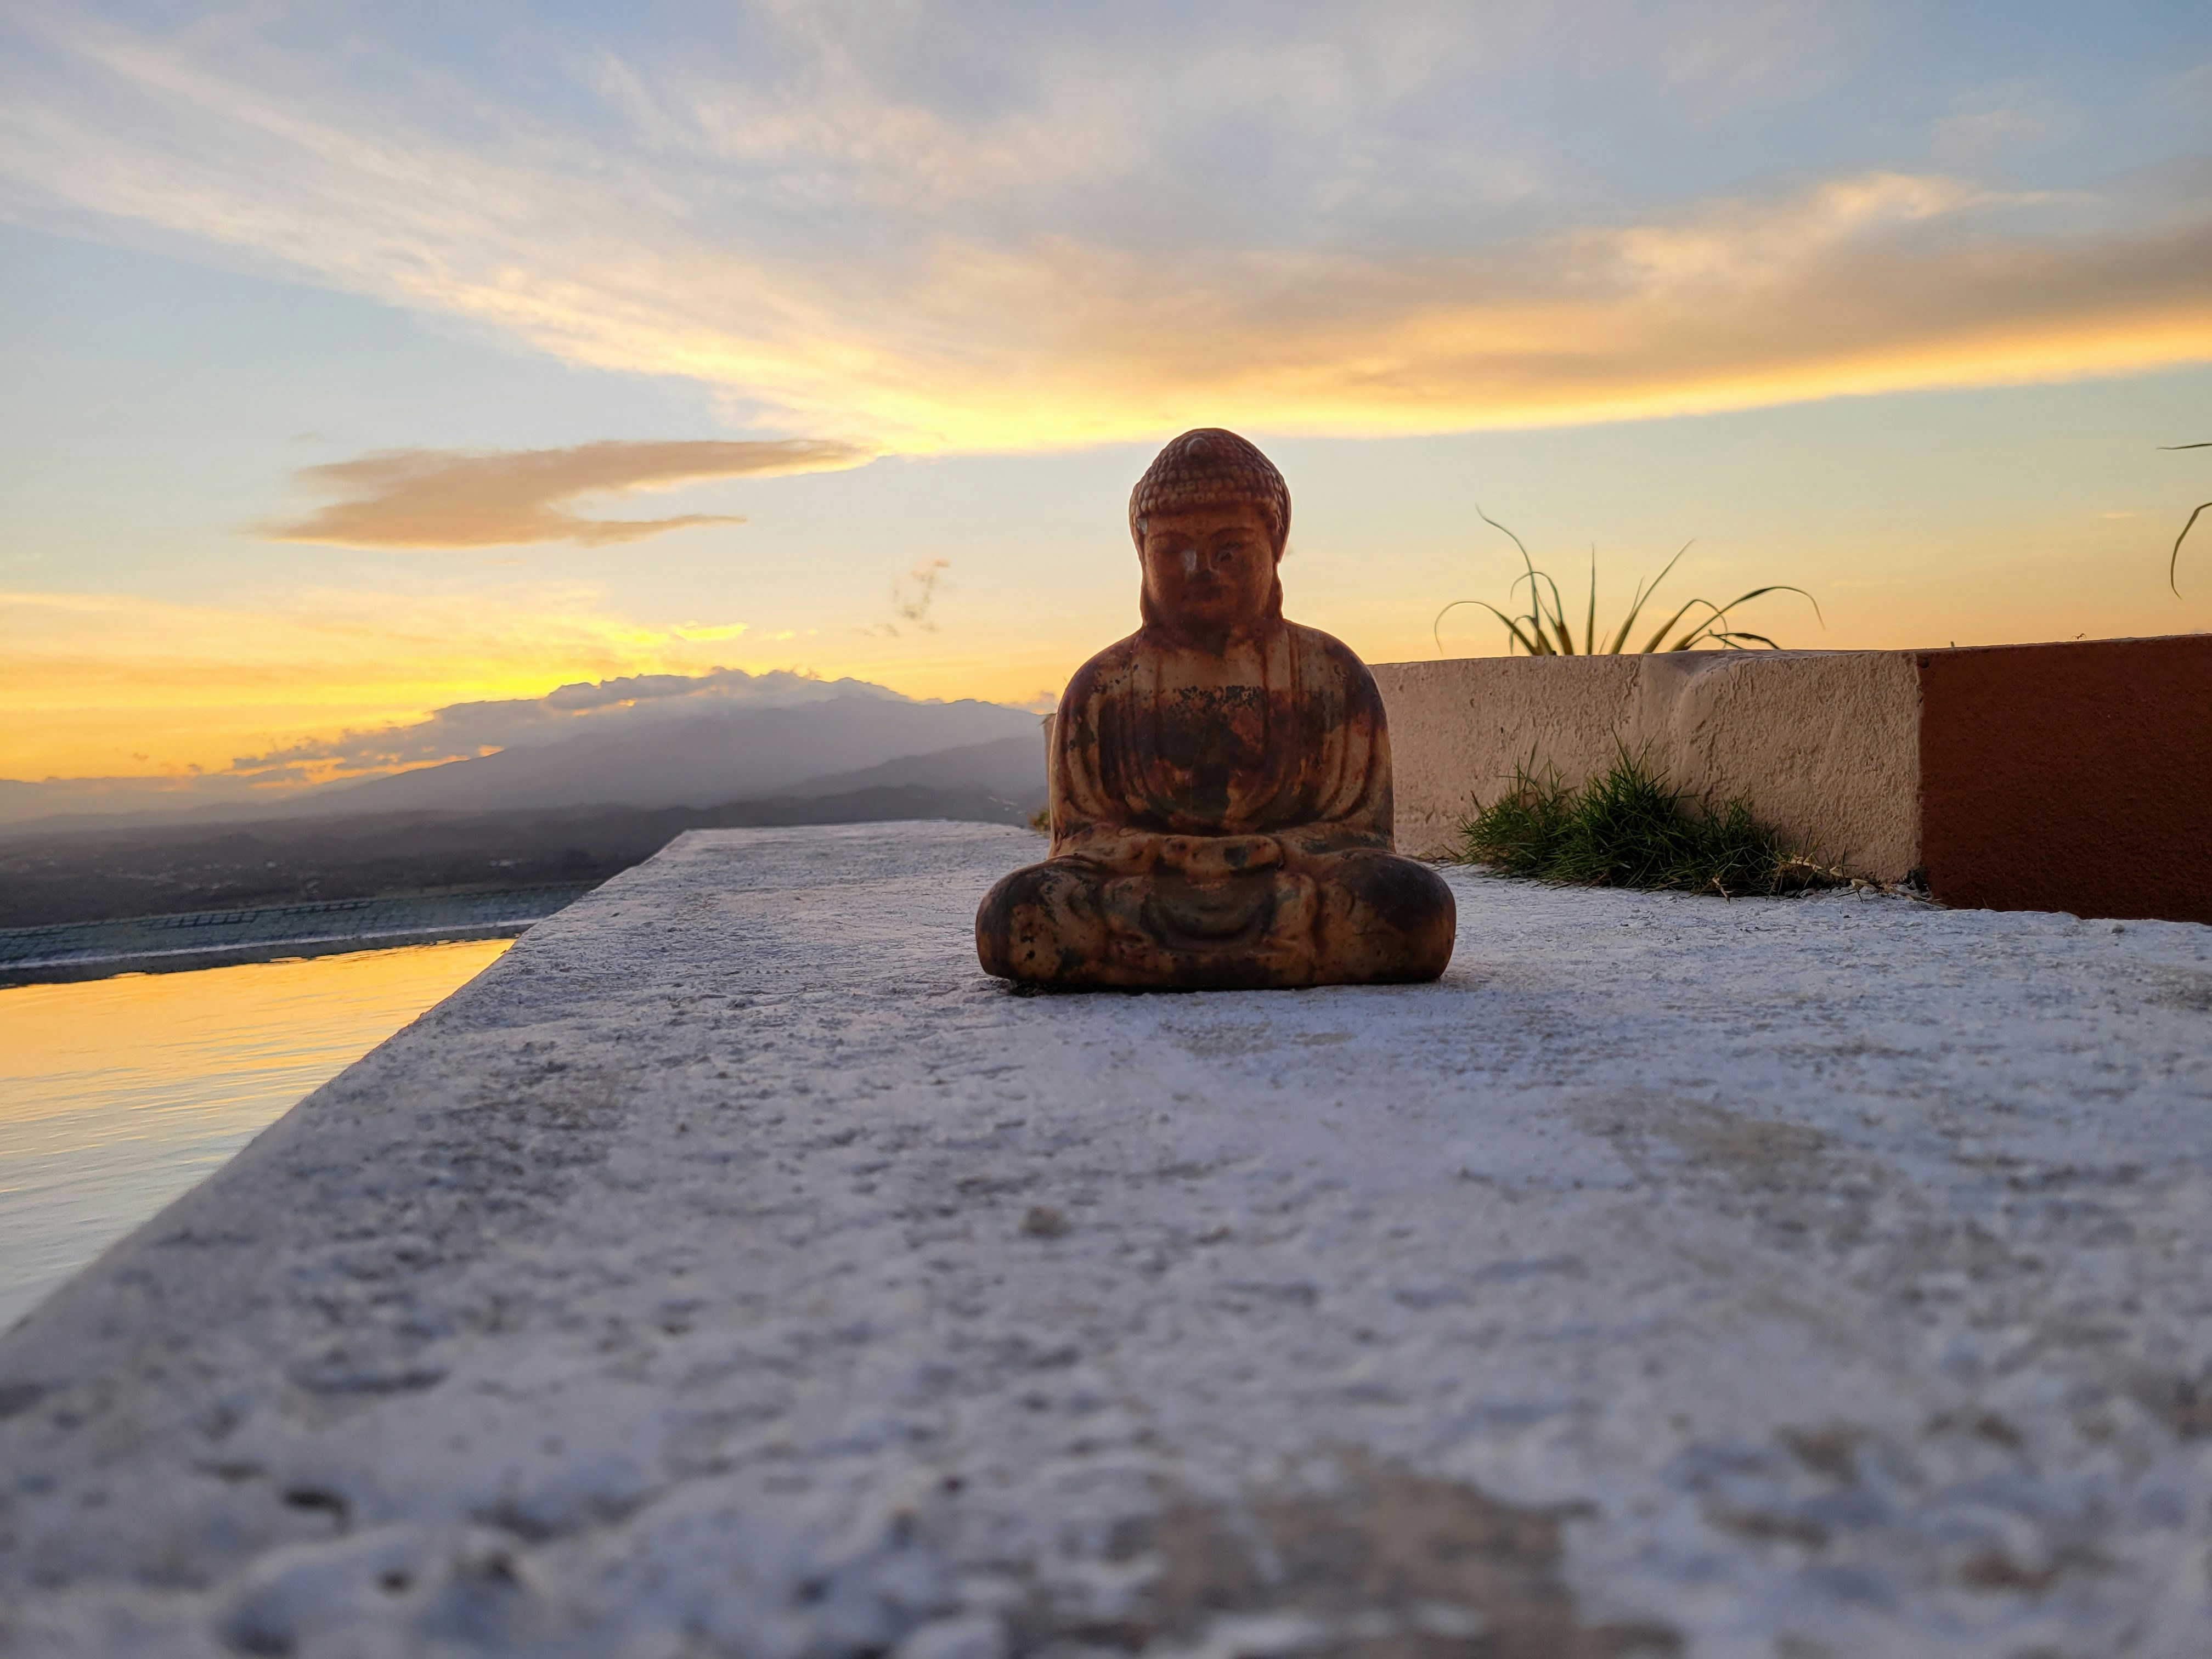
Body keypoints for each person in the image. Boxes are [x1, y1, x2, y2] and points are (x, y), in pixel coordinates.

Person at [975, 428, 1456, 989]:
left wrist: (1269, 852)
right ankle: (1286, 958)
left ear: (1274, 547)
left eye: (1230, 550)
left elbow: (1360, 835)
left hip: (1288, 888)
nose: (1201, 569)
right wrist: (1166, 853)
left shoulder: (1331, 673)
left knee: (1410, 906)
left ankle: (1144, 964)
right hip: (1147, 890)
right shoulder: (1102, 687)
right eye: (1174, 550)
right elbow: (1082, 843)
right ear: (1142, 553)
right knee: (1019, 912)